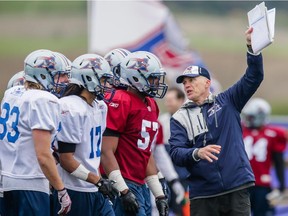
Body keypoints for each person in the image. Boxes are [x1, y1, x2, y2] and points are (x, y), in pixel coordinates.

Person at [169, 26, 263, 216]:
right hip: (202, 195)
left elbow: (254, 76)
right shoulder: (179, 117)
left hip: (236, 187)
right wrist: (197, 152)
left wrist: (252, 50)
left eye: (192, 80)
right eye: (184, 81)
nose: (187, 84)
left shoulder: (228, 100)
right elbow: (176, 153)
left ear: (207, 83)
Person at [0, 49, 72, 215]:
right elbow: (43, 155)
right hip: (30, 182)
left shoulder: (12, 93)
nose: (66, 80)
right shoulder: (42, 99)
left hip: (7, 181)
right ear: (42, 75)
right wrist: (61, 190)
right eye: (59, 75)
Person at [101, 51, 169, 216]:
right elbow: (106, 151)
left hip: (141, 185)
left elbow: (144, 151)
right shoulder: (120, 100)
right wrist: (123, 190)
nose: (156, 83)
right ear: (136, 78)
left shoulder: (151, 104)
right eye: (153, 78)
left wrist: (159, 195)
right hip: (124, 182)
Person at [52, 53, 118, 216]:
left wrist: (98, 181)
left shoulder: (100, 106)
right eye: (103, 80)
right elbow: (66, 160)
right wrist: (98, 180)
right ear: (88, 78)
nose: (107, 84)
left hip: (94, 187)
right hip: (75, 189)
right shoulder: (70, 107)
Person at [242, 97, 287, 216]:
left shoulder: (273, 134)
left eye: (251, 117)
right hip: (240, 184)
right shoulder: (239, 130)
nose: (248, 119)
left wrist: (282, 186)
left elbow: (278, 161)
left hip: (262, 184)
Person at [158, 87, 190, 216]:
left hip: (183, 175)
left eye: (171, 100)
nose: (168, 103)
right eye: (167, 100)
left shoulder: (189, 120)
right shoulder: (162, 121)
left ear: (181, 100)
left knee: (182, 209)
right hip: (166, 174)